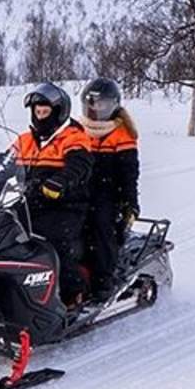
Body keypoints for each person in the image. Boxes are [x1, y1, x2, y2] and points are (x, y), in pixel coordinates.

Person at [13, 82, 94, 306]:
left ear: (58, 112)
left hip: (65, 205)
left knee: (50, 241)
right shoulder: (24, 140)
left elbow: (79, 165)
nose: (40, 117)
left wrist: (61, 180)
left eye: (45, 112)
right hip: (30, 202)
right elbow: (0, 163)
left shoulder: (73, 137)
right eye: (37, 112)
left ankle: (73, 294)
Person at [75, 78, 139, 299]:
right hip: (79, 192)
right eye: (91, 103)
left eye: (101, 104)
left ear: (113, 105)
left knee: (102, 228)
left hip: (108, 194)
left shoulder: (121, 134)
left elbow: (129, 172)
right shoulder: (78, 130)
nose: (95, 108)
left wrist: (130, 202)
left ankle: (104, 281)